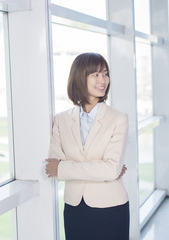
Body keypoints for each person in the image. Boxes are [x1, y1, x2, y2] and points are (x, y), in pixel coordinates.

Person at [45, 52, 130, 240]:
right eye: (96, 74)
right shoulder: (61, 120)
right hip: (74, 208)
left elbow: (110, 170)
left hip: (111, 208)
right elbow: (54, 169)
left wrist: (65, 167)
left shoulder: (118, 119)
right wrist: (101, 169)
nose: (103, 80)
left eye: (105, 74)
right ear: (80, 77)